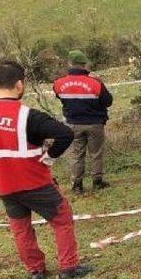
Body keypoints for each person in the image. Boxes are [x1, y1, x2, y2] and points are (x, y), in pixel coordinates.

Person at [0, 61, 93, 279]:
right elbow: (64, 134)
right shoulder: (27, 116)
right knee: (62, 218)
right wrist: (50, 157)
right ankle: (68, 267)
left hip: (5, 184)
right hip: (35, 182)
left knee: (20, 227)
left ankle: (35, 270)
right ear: (19, 84)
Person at [53, 51, 113, 194]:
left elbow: (59, 97)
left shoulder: (59, 83)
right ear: (85, 64)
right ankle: (97, 181)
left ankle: (77, 185)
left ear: (69, 64)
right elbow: (108, 102)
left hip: (72, 124)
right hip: (95, 123)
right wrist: (100, 82)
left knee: (77, 154)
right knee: (96, 153)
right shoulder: (95, 83)